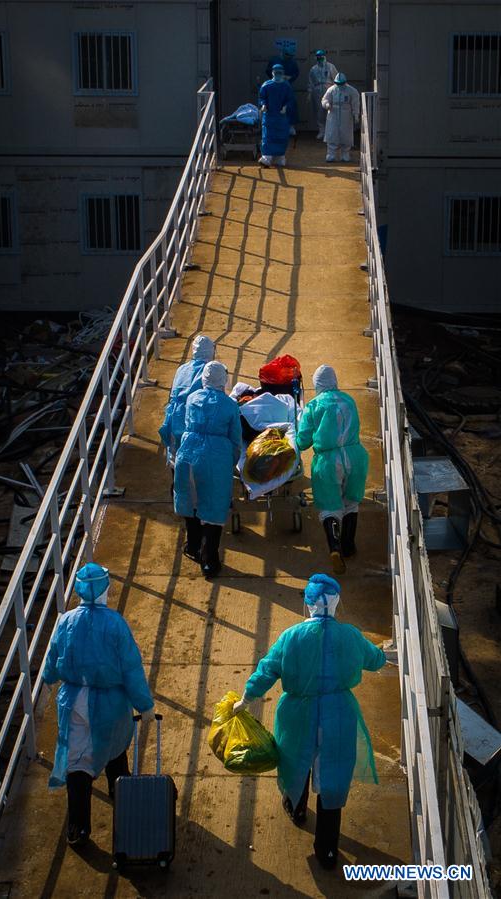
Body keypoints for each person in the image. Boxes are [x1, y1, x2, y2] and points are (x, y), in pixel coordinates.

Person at [232, 573, 386, 869]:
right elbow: (375, 660)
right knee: (335, 776)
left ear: (308, 604)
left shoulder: (291, 637)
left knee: (296, 761)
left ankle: (297, 807)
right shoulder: (351, 635)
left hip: (298, 714)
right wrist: (385, 654)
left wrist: (247, 697)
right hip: (339, 713)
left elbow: (267, 670)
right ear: (337, 603)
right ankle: (327, 850)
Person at [43, 562, 155, 847]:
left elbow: (52, 661)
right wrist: (145, 705)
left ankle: (78, 829)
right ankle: (126, 809)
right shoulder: (116, 624)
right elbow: (131, 669)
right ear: (106, 588)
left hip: (73, 702)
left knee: (78, 763)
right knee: (115, 753)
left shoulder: (66, 621)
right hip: (110, 703)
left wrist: (48, 677)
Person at [295, 365, 369, 575]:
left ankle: (334, 547)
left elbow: (303, 441)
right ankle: (348, 546)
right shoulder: (349, 400)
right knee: (351, 502)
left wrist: (296, 442)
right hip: (355, 456)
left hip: (328, 460)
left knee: (330, 505)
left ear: (317, 385)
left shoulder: (314, 406)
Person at [173, 361, 242, 578]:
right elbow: (235, 439)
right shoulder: (230, 406)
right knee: (214, 507)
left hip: (188, 451)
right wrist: (231, 461)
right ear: (224, 380)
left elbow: (185, 424)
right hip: (216, 456)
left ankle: (192, 546)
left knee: (191, 502)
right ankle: (209, 560)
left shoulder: (193, 398)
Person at [159, 334, 215, 466]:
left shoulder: (182, 369)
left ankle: (175, 482)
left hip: (175, 416)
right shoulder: (209, 371)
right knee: (196, 458)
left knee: (176, 456)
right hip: (195, 417)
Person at [258, 64, 295, 168]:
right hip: (269, 116)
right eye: (276, 72)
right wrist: (263, 105)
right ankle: (267, 157)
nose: (278, 74)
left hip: (282, 117)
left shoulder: (286, 86)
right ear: (272, 72)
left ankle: (280, 157)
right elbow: (262, 97)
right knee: (267, 136)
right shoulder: (267, 85)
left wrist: (285, 107)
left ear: (283, 73)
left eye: (280, 72)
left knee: (281, 137)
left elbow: (290, 100)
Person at [321, 72, 360, 162]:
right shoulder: (331, 90)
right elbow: (324, 99)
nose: (339, 85)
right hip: (333, 115)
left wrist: (356, 114)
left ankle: (345, 153)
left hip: (346, 116)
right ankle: (331, 154)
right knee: (332, 134)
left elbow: (355, 103)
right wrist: (326, 104)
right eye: (338, 83)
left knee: (346, 135)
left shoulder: (351, 91)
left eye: (341, 83)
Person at [266, 47, 299, 136]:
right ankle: (275, 127)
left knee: (291, 104)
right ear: (283, 53)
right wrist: (276, 78)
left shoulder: (292, 62)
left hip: (287, 85)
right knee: (275, 105)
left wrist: (290, 78)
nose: (289, 57)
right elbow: (268, 71)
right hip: (275, 86)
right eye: (288, 55)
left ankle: (291, 126)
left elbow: (296, 73)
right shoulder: (274, 60)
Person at [307, 50, 337, 140]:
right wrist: (309, 93)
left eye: (322, 57)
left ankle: (330, 131)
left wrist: (336, 91)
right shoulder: (313, 69)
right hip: (317, 90)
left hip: (328, 88)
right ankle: (321, 130)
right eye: (318, 57)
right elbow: (310, 82)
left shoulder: (330, 67)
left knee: (329, 109)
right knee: (319, 110)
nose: (320, 59)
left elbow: (336, 78)